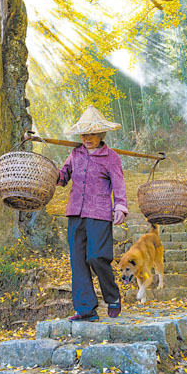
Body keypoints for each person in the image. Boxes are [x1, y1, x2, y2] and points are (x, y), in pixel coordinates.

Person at [57, 105, 128, 321]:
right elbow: (62, 178)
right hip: (75, 212)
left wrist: (121, 206)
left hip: (99, 212)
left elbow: (119, 183)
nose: (88, 138)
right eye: (85, 134)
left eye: (93, 134)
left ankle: (112, 296)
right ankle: (86, 309)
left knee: (97, 257)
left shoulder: (111, 157)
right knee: (78, 261)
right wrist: (50, 172)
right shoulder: (75, 154)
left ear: (101, 135)